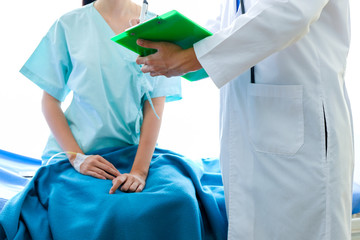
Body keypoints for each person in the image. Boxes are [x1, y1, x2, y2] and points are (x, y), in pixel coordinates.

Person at [0, 0, 227, 239]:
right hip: (78, 157)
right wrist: (78, 158)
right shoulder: (68, 25)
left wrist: (139, 171)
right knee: (101, 213)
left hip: (134, 154)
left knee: (179, 200)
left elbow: (155, 106)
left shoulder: (156, 26)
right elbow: (50, 102)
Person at [135, 0, 354, 239]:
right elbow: (226, 27)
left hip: (303, 138)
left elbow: (290, 11)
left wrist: (194, 56)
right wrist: (171, 43)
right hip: (251, 130)